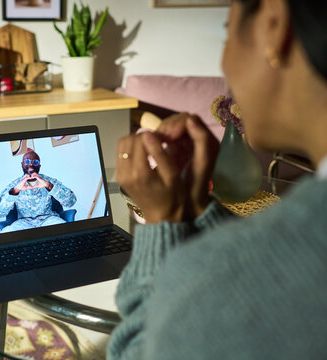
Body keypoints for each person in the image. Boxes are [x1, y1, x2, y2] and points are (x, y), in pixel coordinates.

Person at [108, 0, 327, 359]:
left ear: (275, 25)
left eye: (227, 35)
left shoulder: (219, 281)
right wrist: (196, 207)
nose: (224, 64)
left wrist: (161, 225)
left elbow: (145, 351)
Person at [0, 150, 77, 232]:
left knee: (65, 230)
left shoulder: (48, 181)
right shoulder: (15, 185)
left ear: (39, 166)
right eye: (27, 161)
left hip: (48, 220)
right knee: (7, 233)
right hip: (23, 223)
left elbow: (71, 201)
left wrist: (49, 186)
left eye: (35, 162)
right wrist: (15, 191)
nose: (31, 164)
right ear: (22, 164)